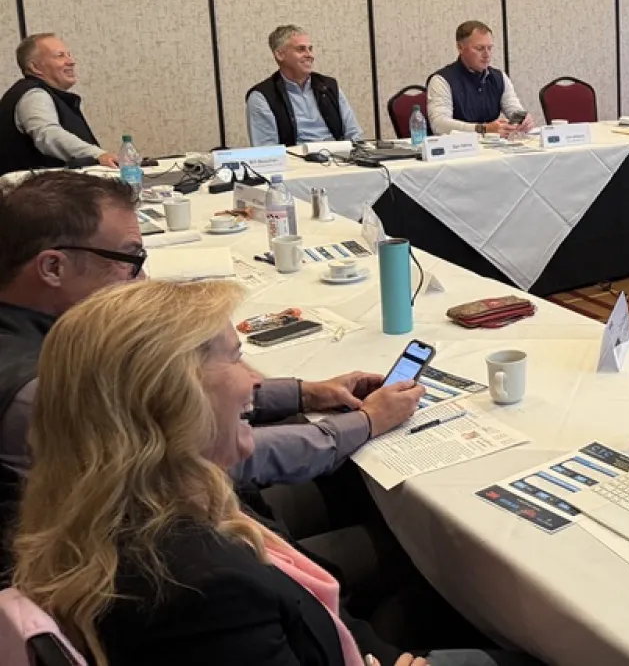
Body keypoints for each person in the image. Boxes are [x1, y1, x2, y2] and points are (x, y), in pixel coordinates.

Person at [9, 279, 535, 666]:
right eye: (235, 360)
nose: (254, 384)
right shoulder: (198, 583)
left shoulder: (94, 506)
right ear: (172, 399)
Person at [0, 171, 423, 506]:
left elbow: (182, 396)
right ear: (52, 268)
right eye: (130, 260)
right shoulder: (44, 387)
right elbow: (206, 456)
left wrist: (305, 394)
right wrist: (364, 423)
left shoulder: (49, 338)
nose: (143, 279)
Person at [0, 33, 114, 174]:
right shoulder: (34, 95)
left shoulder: (40, 93)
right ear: (35, 67)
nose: (71, 61)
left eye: (69, 55)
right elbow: (47, 135)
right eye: (60, 56)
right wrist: (98, 155)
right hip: (36, 192)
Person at [247, 25, 367, 147]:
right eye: (301, 49)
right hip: (295, 163)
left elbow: (354, 135)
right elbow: (267, 152)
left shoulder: (329, 87)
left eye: (310, 49)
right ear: (279, 55)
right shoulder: (262, 97)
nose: (310, 55)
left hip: (339, 160)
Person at [428, 21, 536, 136]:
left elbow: (514, 109)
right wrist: (483, 129)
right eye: (479, 48)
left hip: (493, 147)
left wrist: (523, 119)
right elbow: (439, 125)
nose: (487, 54)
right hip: (457, 149)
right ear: (460, 47)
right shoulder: (441, 80)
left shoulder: (499, 77)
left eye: (490, 48)